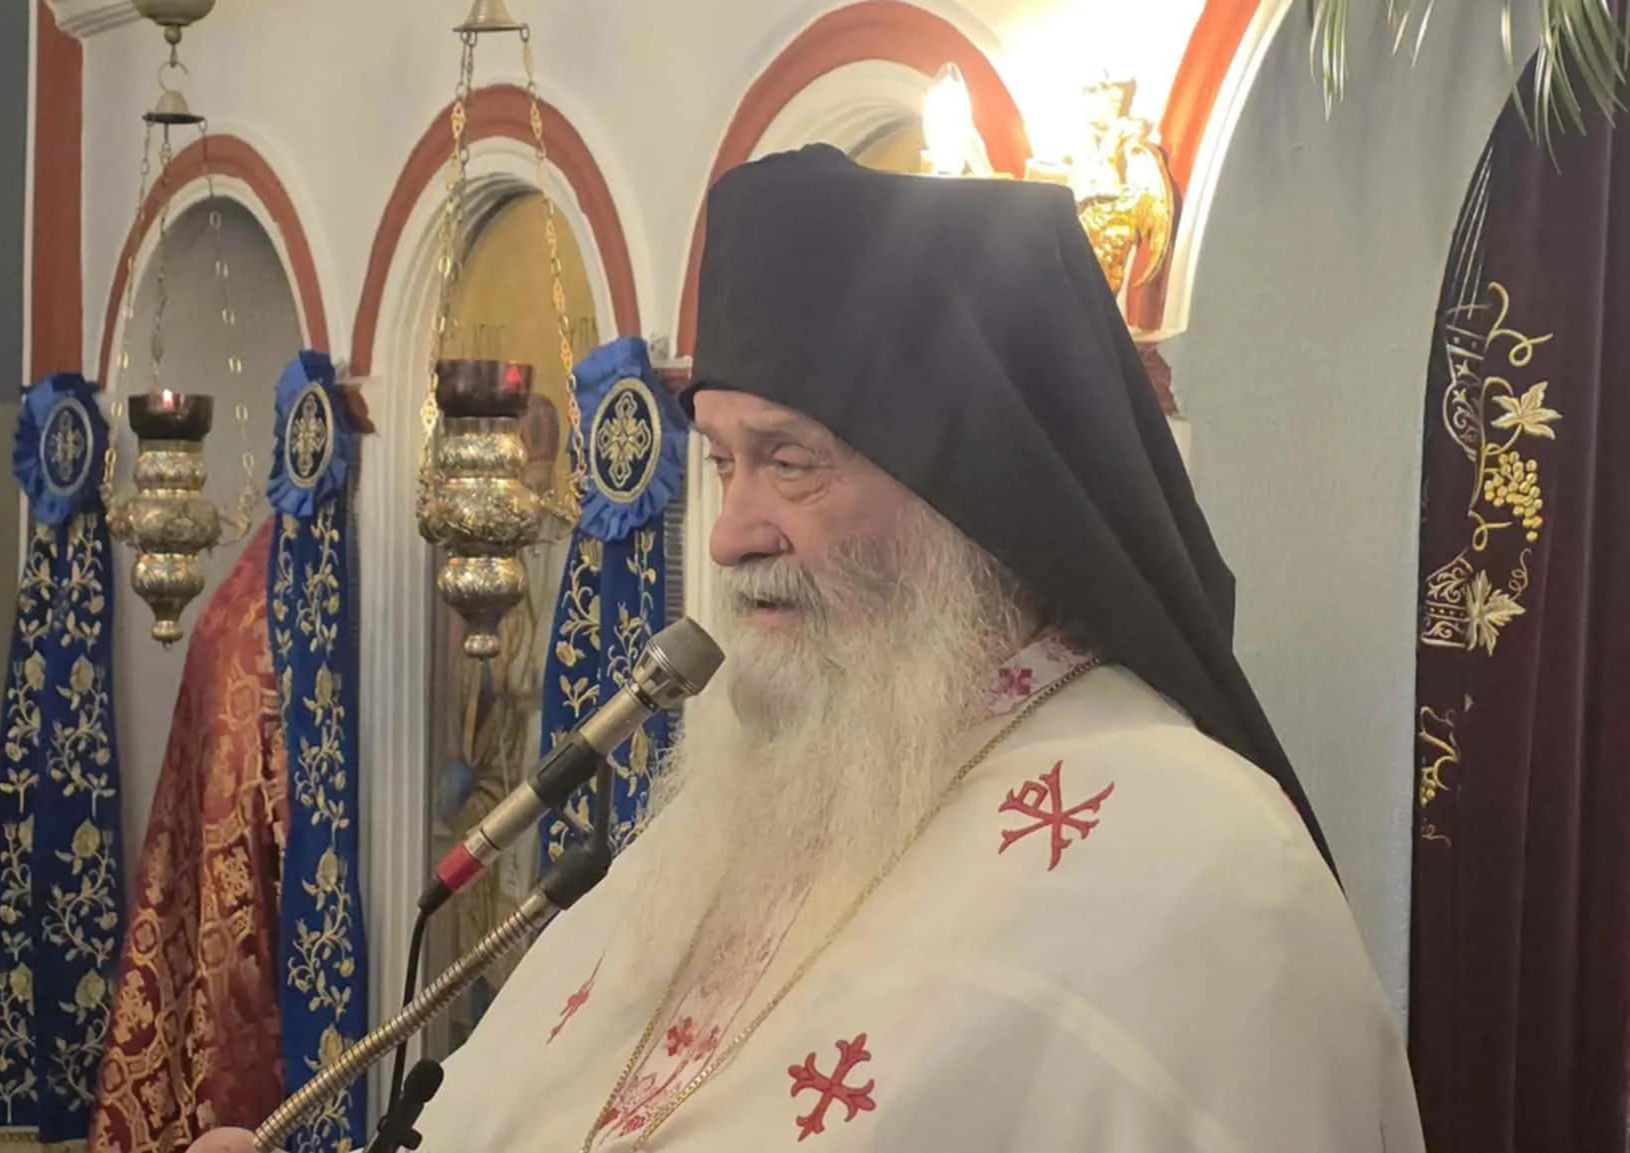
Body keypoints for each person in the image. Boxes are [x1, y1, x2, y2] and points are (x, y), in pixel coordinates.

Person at [192, 144, 1424, 1152]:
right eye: (722, 460)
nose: (728, 533)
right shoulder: (754, 806)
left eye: (790, 462)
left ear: (967, 492)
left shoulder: (1201, 876)